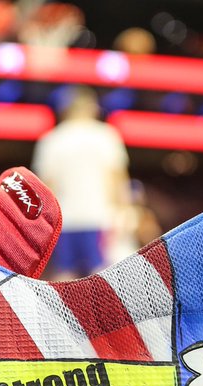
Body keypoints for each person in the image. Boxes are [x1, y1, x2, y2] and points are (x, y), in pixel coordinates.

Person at [32, 86, 131, 276]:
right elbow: (116, 179)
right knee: (100, 278)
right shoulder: (106, 136)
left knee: (65, 278)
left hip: (65, 221)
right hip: (99, 218)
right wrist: (124, 211)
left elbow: (46, 189)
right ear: (93, 108)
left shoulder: (51, 140)